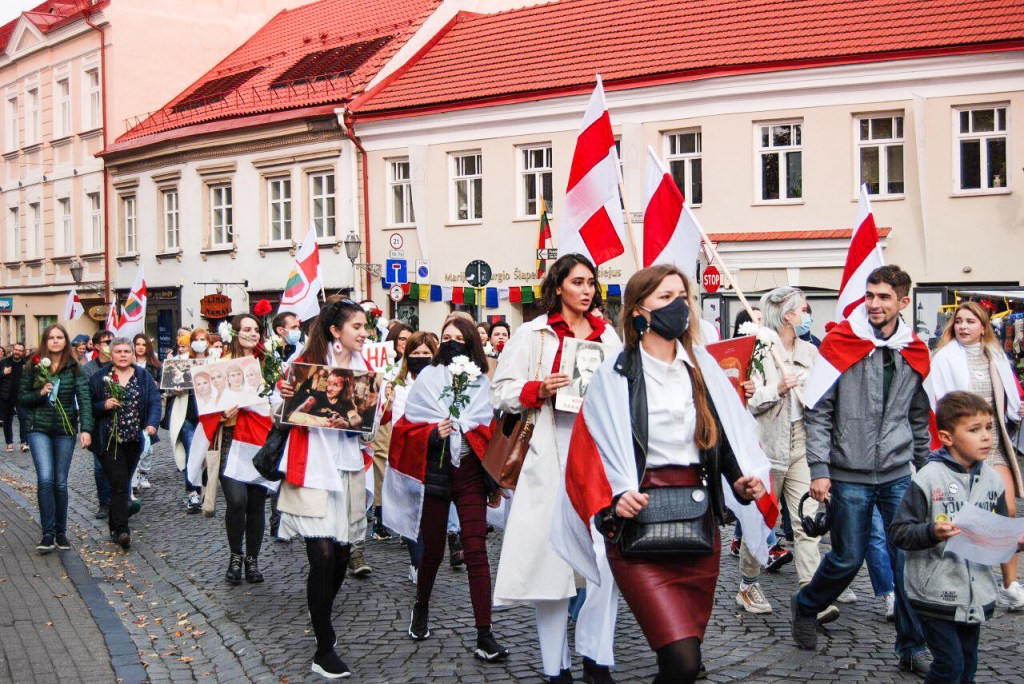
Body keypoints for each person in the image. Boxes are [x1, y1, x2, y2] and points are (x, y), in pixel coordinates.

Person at [556, 264, 768, 684]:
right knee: (682, 662)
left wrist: (742, 484)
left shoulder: (701, 372)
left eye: (683, 297)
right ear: (639, 311)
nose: (679, 306)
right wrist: (614, 500)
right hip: (638, 526)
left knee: (683, 666)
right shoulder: (613, 376)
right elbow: (588, 454)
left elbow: (720, 441)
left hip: (697, 528)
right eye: (665, 298)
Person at [792, 265, 931, 675]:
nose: (873, 303)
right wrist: (819, 468)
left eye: (884, 297)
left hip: (898, 472)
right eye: (870, 295)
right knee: (848, 558)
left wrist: (926, 471)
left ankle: (912, 646)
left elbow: (920, 418)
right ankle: (807, 604)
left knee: (906, 558)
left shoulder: (914, 350)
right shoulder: (841, 343)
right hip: (847, 472)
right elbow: (818, 411)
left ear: (903, 302)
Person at [490, 253, 621, 683]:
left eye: (592, 282)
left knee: (606, 563)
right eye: (579, 282)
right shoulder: (535, 335)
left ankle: (596, 657)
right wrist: (537, 388)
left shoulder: (609, 337)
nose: (587, 290)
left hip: (597, 458)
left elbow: (625, 392)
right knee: (551, 571)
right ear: (558, 286)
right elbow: (501, 392)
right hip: (549, 455)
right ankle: (554, 668)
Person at [388, 316, 509, 662]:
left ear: (470, 343)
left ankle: (485, 633)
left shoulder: (481, 383)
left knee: (476, 550)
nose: (452, 341)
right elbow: (406, 428)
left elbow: (490, 431)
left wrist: (493, 479)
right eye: (446, 337)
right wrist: (430, 434)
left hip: (470, 474)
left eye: (459, 337)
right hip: (437, 475)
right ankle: (421, 606)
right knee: (433, 551)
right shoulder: (427, 379)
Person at [890, 391, 1024, 684]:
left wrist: (1015, 541)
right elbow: (899, 532)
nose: (986, 436)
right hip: (935, 593)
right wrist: (931, 531)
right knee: (949, 667)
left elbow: (998, 536)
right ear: (947, 437)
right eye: (974, 430)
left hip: (976, 595)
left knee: (967, 668)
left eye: (989, 427)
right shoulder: (928, 478)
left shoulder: (993, 479)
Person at [275, 300, 374, 679]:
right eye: (358, 326)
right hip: (312, 468)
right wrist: (283, 392)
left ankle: (322, 616)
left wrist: (382, 407)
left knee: (341, 555)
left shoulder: (363, 369)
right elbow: (278, 408)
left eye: (365, 326)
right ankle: (324, 645)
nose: (364, 332)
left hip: (347, 468)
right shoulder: (305, 363)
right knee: (322, 557)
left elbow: (367, 423)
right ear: (336, 330)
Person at [736, 287, 825, 616]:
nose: (807, 315)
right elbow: (750, 400)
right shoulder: (762, 348)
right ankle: (748, 583)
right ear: (788, 315)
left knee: (806, 520)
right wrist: (778, 388)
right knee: (761, 519)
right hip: (768, 444)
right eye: (803, 309)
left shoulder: (810, 351)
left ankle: (810, 592)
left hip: (801, 442)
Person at [930, 301, 1024, 610]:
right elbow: (939, 402)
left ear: (983, 326)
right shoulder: (944, 358)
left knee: (1007, 510)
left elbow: (1008, 397)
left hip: (996, 444)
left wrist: (1017, 410)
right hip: (964, 448)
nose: (963, 326)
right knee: (966, 517)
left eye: (970, 321)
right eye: (959, 321)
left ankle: (1011, 584)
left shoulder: (995, 355)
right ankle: (965, 579)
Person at [192, 314, 274, 585]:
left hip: (259, 441)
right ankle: (235, 555)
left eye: (257, 330)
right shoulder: (221, 366)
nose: (253, 334)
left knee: (255, 504)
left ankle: (252, 560)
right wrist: (223, 412)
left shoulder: (268, 364)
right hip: (230, 440)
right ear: (234, 333)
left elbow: (279, 403)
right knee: (237, 501)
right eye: (247, 329)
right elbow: (206, 407)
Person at [18, 325, 93, 553]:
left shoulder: (74, 368)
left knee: (60, 482)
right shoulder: (33, 365)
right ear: (45, 341)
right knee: (45, 479)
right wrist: (40, 393)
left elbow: (84, 398)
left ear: (65, 341)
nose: (55, 341)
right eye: (51, 337)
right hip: (38, 427)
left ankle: (61, 532)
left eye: (59, 337)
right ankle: (47, 534)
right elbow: (22, 398)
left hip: (65, 428)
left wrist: (86, 428)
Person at [88, 338, 161, 550]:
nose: (122, 355)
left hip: (134, 438)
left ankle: (114, 523)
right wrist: (104, 404)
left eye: (126, 351)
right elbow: (88, 405)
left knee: (123, 481)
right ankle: (122, 530)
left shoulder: (142, 376)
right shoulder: (99, 377)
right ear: (111, 355)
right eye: (118, 351)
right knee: (119, 481)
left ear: (132, 354)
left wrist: (151, 424)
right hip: (108, 438)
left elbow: (154, 401)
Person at [388, 331, 438, 582]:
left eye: (426, 354)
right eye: (415, 354)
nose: (421, 358)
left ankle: (427, 559)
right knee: (412, 513)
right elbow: (391, 420)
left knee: (430, 514)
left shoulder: (444, 382)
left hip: (433, 454)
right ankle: (417, 563)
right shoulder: (397, 385)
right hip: (406, 456)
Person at [168, 329, 210, 514]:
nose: (199, 342)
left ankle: (205, 489)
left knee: (207, 455)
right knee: (192, 452)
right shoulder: (181, 363)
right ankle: (193, 492)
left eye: (203, 339)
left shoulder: (215, 362)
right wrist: (175, 389)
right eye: (196, 340)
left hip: (208, 414)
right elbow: (168, 388)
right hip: (187, 413)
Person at [83, 330, 115, 518]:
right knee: (100, 465)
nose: (110, 344)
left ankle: (120, 498)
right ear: (96, 346)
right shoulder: (88, 369)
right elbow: (87, 397)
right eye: (106, 342)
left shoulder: (119, 363)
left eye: (112, 341)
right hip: (99, 421)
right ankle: (104, 502)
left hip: (119, 421)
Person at [132, 334, 163, 491]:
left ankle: (144, 472)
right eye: (137, 344)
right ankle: (134, 473)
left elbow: (163, 385)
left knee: (148, 444)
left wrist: (158, 385)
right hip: (133, 406)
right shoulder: (129, 364)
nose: (140, 347)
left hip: (148, 406)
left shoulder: (155, 366)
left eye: (144, 344)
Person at [0, 341, 28, 453]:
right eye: (16, 350)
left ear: (23, 352)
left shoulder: (26, 364)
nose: (17, 352)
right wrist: (3, 373)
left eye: (20, 351)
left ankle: (24, 443)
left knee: (23, 418)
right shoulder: (4, 362)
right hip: (6, 396)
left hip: (21, 395)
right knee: (7, 420)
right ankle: (9, 442)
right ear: (13, 349)